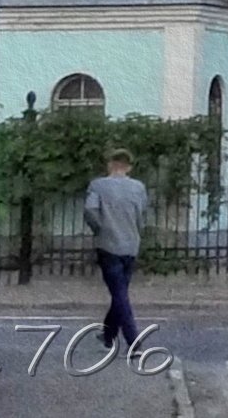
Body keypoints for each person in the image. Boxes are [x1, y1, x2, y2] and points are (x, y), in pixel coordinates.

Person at [83, 149, 149, 350]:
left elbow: (90, 210)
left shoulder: (98, 186)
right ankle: (108, 334)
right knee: (120, 291)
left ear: (110, 164)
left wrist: (99, 229)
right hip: (131, 245)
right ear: (129, 166)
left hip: (108, 245)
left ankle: (133, 342)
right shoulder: (138, 188)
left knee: (119, 294)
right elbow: (142, 215)